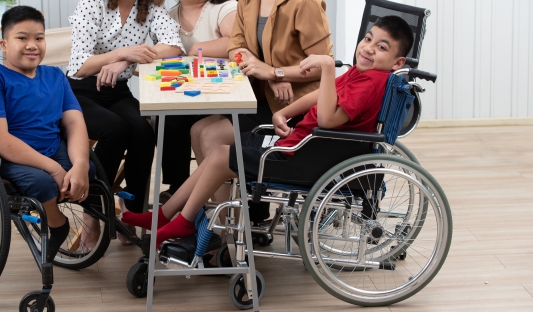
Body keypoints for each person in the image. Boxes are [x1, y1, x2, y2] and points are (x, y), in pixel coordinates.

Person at [121, 15, 414, 246]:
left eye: (381, 47)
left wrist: (326, 67)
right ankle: (165, 215)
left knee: (222, 155)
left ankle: (181, 220)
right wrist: (285, 111)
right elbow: (328, 94)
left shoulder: (371, 82)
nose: (368, 48)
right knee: (220, 153)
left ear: (398, 62)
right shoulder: (362, 74)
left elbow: (327, 118)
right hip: (298, 144)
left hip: (305, 157)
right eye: (368, 38)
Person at [190, 0, 334, 215]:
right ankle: (230, 216)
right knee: (197, 130)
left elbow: (324, 65)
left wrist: (277, 72)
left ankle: (229, 223)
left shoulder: (305, 2)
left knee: (209, 135)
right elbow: (237, 46)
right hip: (260, 94)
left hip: (292, 106)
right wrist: (266, 73)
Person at [66, 0, 184, 242]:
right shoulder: (93, 2)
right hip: (79, 91)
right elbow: (79, 66)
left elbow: (174, 47)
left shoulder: (151, 7)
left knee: (144, 131)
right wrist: (125, 53)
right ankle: (92, 213)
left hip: (116, 92)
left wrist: (126, 60)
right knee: (116, 130)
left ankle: (130, 211)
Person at [0, 5, 95, 261]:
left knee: (88, 169)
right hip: (4, 155)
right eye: (22, 38)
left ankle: (65, 204)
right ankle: (57, 224)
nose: (32, 45)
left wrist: (79, 164)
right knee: (42, 182)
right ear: (4, 44)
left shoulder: (54, 75)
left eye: (39, 38)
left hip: (48, 145)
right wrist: (55, 169)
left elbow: (74, 123)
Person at [160, 0, 241, 201]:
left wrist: (197, 49)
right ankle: (179, 188)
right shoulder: (169, 17)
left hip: (221, 98)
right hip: (189, 95)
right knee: (166, 122)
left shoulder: (222, 9)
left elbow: (236, 42)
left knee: (192, 126)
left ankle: (202, 197)